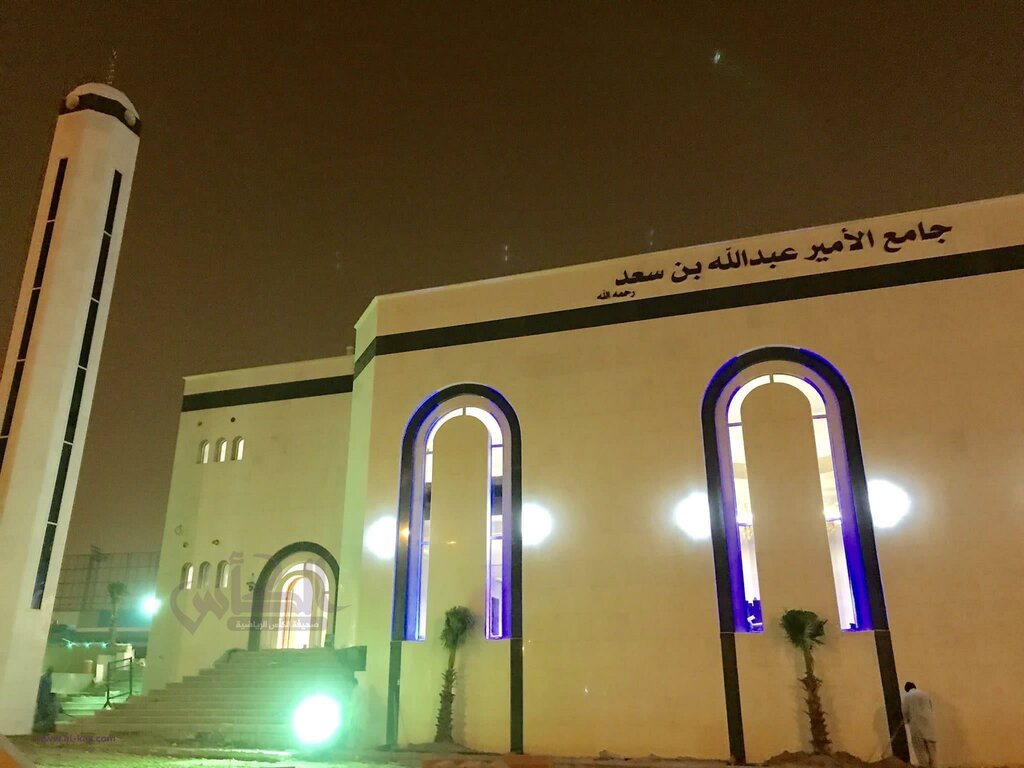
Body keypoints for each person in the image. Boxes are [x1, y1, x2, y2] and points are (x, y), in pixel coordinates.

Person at [902, 681, 937, 768]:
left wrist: (905, 720)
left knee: (921, 752)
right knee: (932, 752)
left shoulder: (907, 696)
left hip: (916, 728)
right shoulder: (925, 694)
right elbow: (930, 708)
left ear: (907, 689)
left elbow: (905, 711)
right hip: (929, 727)